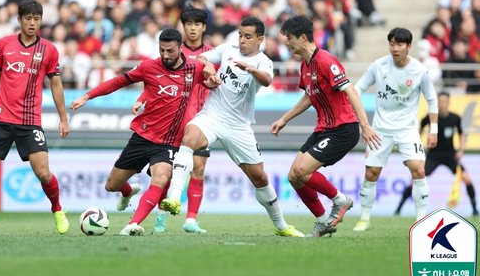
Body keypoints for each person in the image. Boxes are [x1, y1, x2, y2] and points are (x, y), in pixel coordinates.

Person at [160, 16, 305, 238]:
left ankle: (281, 225)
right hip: (213, 115)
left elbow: (266, 80)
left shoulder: (263, 61)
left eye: (248, 37)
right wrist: (208, 67)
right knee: (189, 137)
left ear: (260, 39)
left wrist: (251, 69)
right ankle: (174, 197)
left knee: (260, 178)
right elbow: (198, 57)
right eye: (240, 35)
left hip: (239, 126)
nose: (242, 40)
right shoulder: (228, 49)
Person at [70, 28, 219, 236]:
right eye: (162, 50)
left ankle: (133, 224)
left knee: (160, 178)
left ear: (180, 48)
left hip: (169, 143)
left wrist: (212, 75)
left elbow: (211, 72)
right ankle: (128, 191)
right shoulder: (149, 67)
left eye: (170, 51)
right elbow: (118, 81)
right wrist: (87, 96)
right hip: (142, 137)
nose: (165, 55)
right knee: (112, 185)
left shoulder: (193, 69)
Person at [269, 15, 380, 238]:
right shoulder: (305, 65)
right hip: (324, 129)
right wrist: (285, 119)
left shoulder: (326, 61)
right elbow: (309, 97)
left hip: (343, 128)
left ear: (302, 38)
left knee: (302, 170)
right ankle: (322, 221)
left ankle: (340, 200)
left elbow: (351, 91)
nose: (287, 43)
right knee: (293, 176)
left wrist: (365, 125)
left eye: (289, 38)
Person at [0, 0, 70, 236]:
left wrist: (63, 117)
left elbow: (55, 84)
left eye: (37, 19)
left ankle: (57, 209)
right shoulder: (3, 45)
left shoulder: (49, 50)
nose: (33, 23)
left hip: (29, 121)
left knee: (43, 173)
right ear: (19, 20)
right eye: (28, 18)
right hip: (2, 118)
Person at [132, 8, 213, 234]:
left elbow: (216, 80)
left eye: (197, 24)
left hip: (202, 121)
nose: (193, 28)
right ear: (183, 27)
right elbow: (153, 81)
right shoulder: (173, 52)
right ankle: (161, 216)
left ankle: (191, 220)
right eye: (188, 24)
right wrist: (141, 98)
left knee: (198, 168)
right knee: (166, 170)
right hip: (174, 121)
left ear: (203, 27)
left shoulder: (212, 53)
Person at [353, 27, 438, 232]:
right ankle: (364, 219)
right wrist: (363, 123)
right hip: (380, 129)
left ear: (408, 46)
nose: (395, 48)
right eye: (391, 43)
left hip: (407, 130)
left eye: (399, 44)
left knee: (418, 169)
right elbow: (356, 90)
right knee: (371, 173)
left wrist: (433, 129)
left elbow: (432, 99)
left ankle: (420, 219)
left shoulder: (419, 70)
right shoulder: (378, 66)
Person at [394, 92, 478, 216]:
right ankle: (398, 208)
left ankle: (475, 209)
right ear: (437, 103)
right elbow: (418, 132)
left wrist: (461, 150)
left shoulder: (455, 118)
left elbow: (461, 134)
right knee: (415, 179)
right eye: (440, 102)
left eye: (445, 102)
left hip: (450, 155)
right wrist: (415, 147)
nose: (442, 104)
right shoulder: (430, 117)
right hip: (433, 156)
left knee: (467, 179)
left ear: (449, 103)